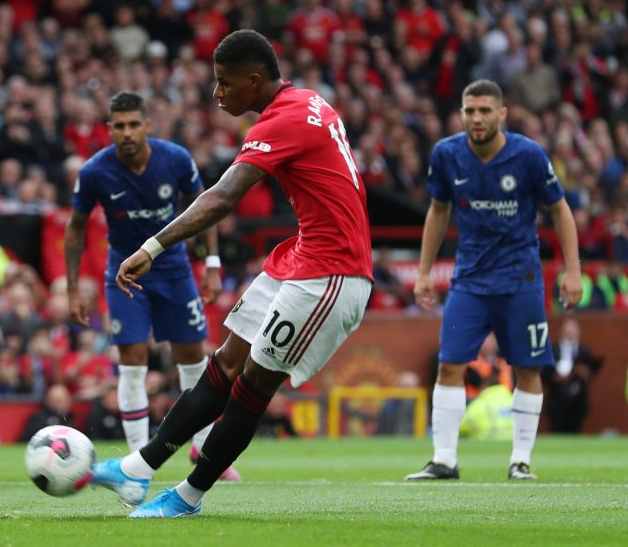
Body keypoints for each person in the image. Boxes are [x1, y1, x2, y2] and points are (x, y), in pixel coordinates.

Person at [91, 30, 373, 517]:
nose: (217, 93)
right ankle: (139, 467)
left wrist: (153, 246)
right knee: (223, 362)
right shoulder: (308, 100)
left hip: (332, 273)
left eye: (224, 84)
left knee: (252, 385)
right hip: (301, 256)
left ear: (254, 79)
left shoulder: (280, 121)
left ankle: (187, 497)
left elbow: (222, 198)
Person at [405, 79, 582, 482]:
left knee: (528, 369)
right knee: (449, 364)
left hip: (521, 279)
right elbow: (437, 211)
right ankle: (444, 460)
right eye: (470, 110)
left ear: (502, 114)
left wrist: (573, 271)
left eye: (485, 110)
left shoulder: (529, 156)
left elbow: (560, 210)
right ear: (462, 113)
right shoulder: (447, 154)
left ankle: (520, 461)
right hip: (469, 280)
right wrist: (423, 273)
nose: (477, 118)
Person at [64, 90, 240, 480]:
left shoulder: (175, 159)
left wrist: (211, 263)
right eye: (119, 126)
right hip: (125, 276)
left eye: (133, 124)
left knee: (194, 361)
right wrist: (73, 288)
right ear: (109, 130)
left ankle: (204, 449)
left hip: (175, 271)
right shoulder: (95, 171)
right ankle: (137, 463)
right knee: (131, 366)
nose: (126, 133)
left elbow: (206, 207)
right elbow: (75, 229)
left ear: (147, 125)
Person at [541, 318, 602, 433]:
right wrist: (556, 377)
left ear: (579, 332)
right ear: (561, 331)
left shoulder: (584, 351)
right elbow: (544, 375)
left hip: (577, 401)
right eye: (567, 330)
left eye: (573, 330)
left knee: (576, 431)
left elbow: (590, 376)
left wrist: (583, 374)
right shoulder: (553, 351)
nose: (570, 333)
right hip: (556, 401)